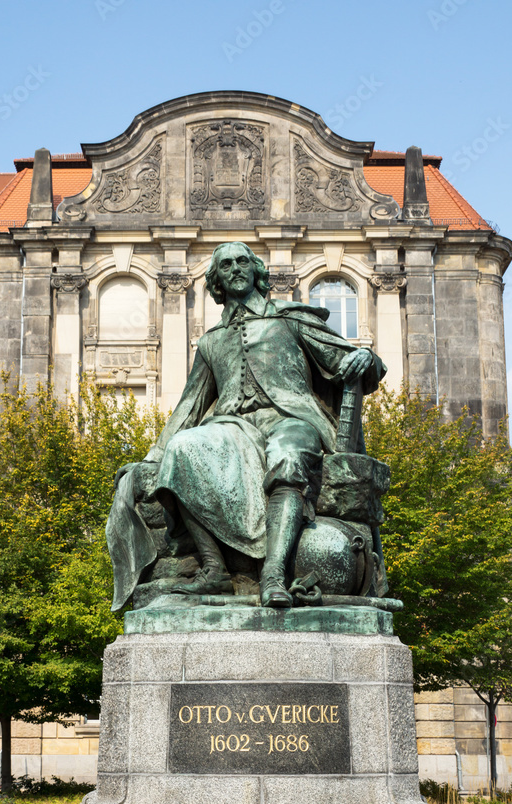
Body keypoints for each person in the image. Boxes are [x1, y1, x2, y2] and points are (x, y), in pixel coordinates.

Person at [110, 241, 385, 609]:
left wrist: (366, 356)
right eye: (226, 265)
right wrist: (149, 459)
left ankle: (273, 573)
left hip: (290, 419)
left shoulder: (290, 318)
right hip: (233, 425)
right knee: (181, 450)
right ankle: (213, 569)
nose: (236, 268)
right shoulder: (211, 342)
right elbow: (188, 408)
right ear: (217, 281)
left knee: (287, 456)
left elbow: (354, 362)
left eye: (243, 261)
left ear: (256, 271)